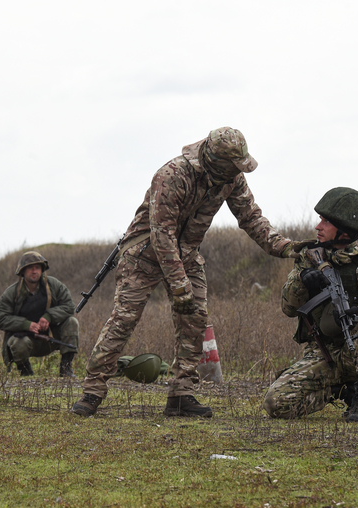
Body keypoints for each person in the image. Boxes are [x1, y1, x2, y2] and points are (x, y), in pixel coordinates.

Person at [71, 126, 299, 418]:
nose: (237, 172)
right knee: (124, 319)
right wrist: (179, 286)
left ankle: (181, 395)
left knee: (195, 317)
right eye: (233, 166)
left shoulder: (232, 178)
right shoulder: (172, 175)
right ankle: (92, 391)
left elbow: (251, 217)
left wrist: (285, 248)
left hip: (186, 252)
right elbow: (162, 234)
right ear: (216, 161)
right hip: (146, 252)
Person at [263, 187, 358, 422]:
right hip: (323, 352)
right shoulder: (310, 257)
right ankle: (340, 392)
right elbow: (288, 309)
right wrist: (302, 281)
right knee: (276, 404)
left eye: (326, 221)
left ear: (345, 228)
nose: (318, 226)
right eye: (320, 219)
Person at [0, 251, 79, 377]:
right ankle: (25, 370)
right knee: (17, 343)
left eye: (37, 268)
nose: (34, 271)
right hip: (27, 341)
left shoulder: (54, 285)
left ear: (42, 270)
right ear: (22, 271)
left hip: (51, 338)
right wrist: (25, 324)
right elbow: (0, 318)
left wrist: (49, 317)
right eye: (30, 268)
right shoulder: (12, 293)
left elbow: (69, 307)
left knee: (72, 322)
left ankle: (66, 368)